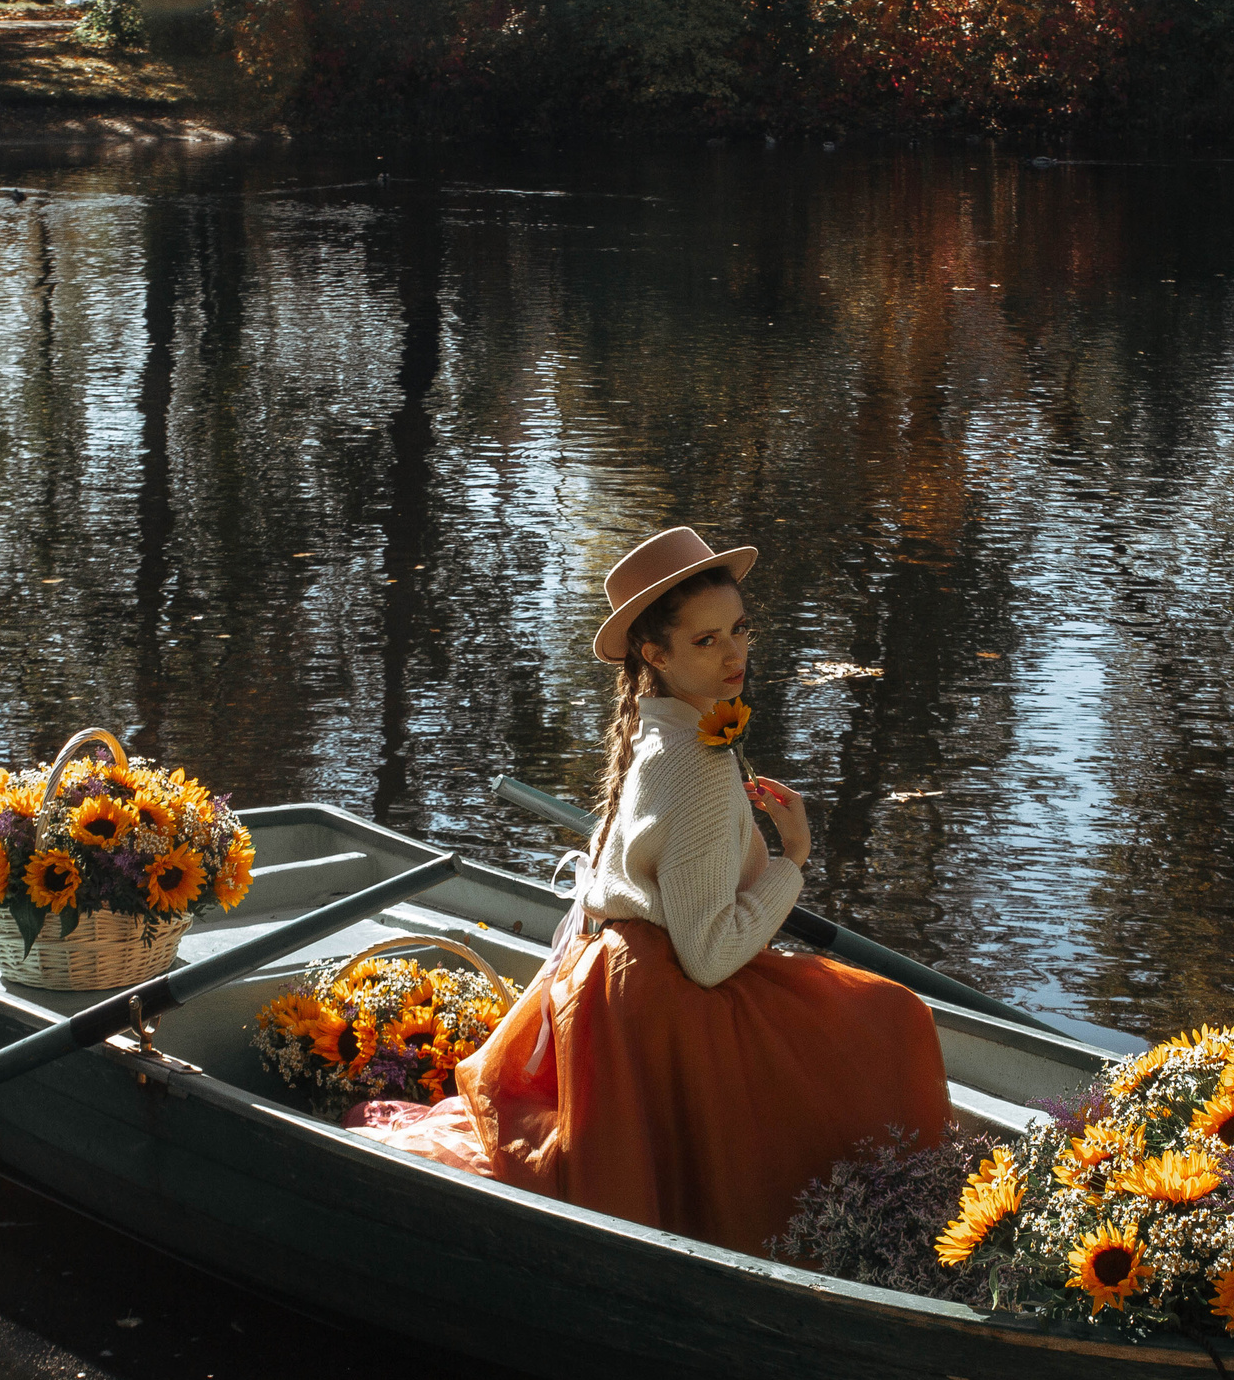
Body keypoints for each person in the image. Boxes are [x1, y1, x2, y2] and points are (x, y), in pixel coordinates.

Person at [355, 527, 952, 1254]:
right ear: (655, 654)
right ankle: (882, 1231)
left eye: (740, 629)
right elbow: (709, 956)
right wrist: (792, 860)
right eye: (706, 640)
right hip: (662, 1001)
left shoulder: (664, 729)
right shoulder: (698, 763)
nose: (733, 655)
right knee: (892, 1021)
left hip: (619, 987)